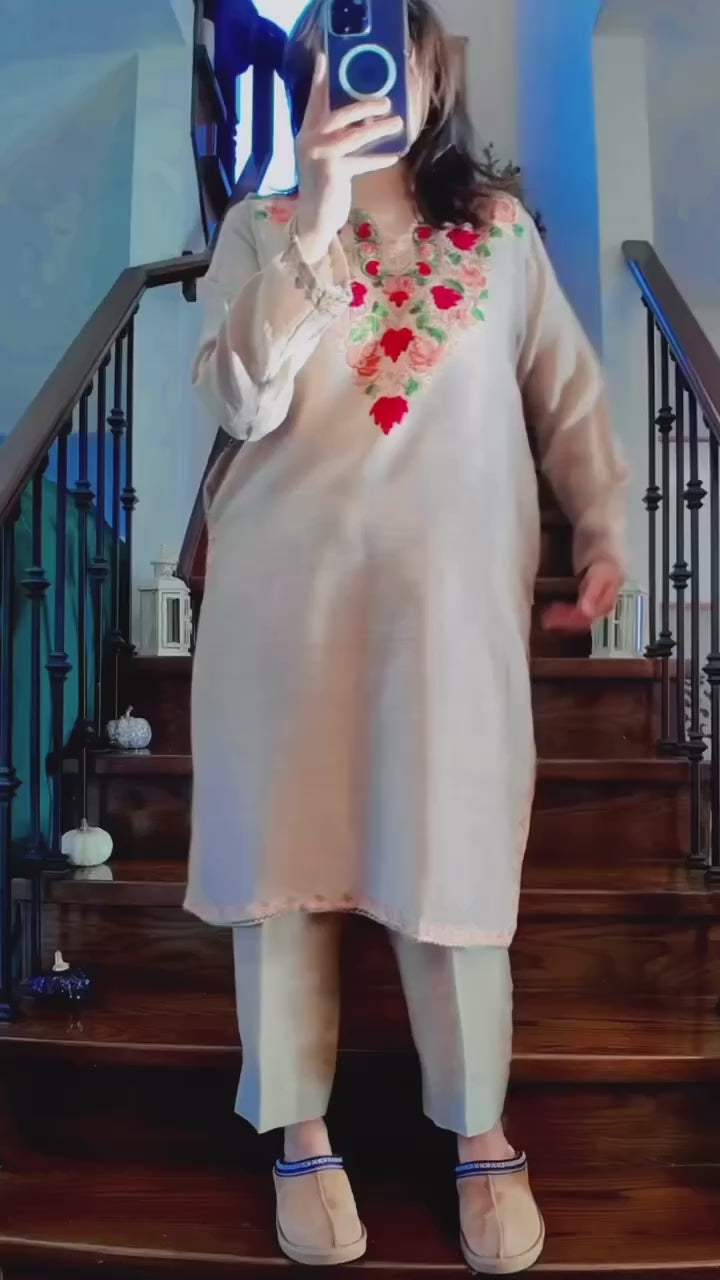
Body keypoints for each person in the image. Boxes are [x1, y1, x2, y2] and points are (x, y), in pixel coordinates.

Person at [186, 0, 626, 1271]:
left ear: (435, 75)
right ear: (315, 77)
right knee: (285, 871)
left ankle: (482, 1132)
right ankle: (301, 1132)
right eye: (347, 55)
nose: (374, 77)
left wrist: (605, 523)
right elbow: (235, 395)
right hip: (282, 609)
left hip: (446, 612)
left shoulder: (496, 231)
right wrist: (314, 217)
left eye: (395, 54)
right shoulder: (261, 225)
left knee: (452, 858)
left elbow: (567, 394)